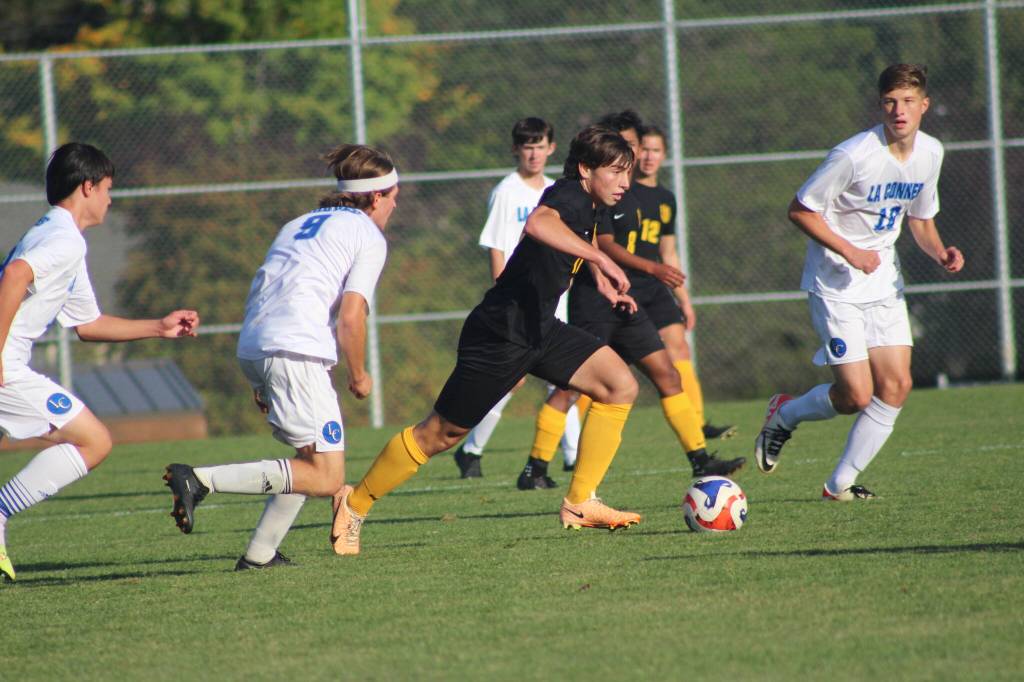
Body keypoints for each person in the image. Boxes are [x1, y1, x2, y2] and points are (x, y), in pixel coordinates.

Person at [332, 125, 644, 556]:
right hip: (501, 332)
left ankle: (580, 503)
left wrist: (600, 279)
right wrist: (599, 259)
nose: (625, 182)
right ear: (587, 169)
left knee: (619, 385)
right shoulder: (569, 194)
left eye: (628, 172)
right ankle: (353, 503)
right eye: (616, 171)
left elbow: (575, 240)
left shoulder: (588, 203)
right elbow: (539, 223)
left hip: (540, 328)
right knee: (439, 434)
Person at [163, 144, 396, 569]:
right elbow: (350, 317)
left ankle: (259, 555)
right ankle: (199, 480)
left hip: (257, 342)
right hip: (295, 350)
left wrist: (257, 376)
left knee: (308, 463)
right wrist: (359, 374)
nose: (393, 206)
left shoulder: (297, 224)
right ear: (377, 196)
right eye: (394, 196)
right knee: (328, 477)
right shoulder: (367, 235)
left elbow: (264, 288)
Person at [754, 64, 964, 500]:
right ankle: (785, 415)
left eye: (908, 101)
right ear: (880, 104)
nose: (898, 110)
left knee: (897, 386)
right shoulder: (853, 155)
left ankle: (839, 486)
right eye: (890, 101)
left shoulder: (931, 153)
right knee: (856, 395)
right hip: (836, 284)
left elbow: (921, 220)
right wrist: (848, 250)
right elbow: (800, 209)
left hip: (884, 282)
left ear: (924, 106)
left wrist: (940, 252)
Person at [0, 142, 200, 582]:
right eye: (108, 188)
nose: (111, 198)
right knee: (94, 441)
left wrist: (159, 327)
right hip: (6, 366)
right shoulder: (63, 239)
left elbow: (87, 324)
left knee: (94, 440)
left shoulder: (61, 236)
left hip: (9, 362)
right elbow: (15, 277)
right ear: (87, 187)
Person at [546, 111, 744, 481]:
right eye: (627, 148)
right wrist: (627, 274)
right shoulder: (593, 197)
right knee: (574, 389)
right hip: (597, 302)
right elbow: (601, 245)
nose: (635, 155)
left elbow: (658, 249)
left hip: (629, 301)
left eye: (636, 147)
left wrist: (667, 285)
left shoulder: (640, 195)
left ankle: (700, 458)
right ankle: (536, 466)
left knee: (667, 372)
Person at [450, 117, 584, 485]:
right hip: (519, 302)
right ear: (515, 150)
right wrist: (504, 293)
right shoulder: (507, 191)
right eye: (527, 146)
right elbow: (497, 246)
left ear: (552, 148)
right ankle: (471, 448)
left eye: (540, 145)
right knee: (512, 380)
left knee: (564, 379)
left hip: (553, 299)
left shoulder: (556, 190)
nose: (534, 153)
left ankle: (572, 457)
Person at [633, 124, 736, 440]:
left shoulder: (665, 199)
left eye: (655, 150)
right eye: (644, 149)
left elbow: (668, 252)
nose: (649, 156)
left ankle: (698, 422)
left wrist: (685, 299)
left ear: (664, 155)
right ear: (634, 151)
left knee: (680, 348)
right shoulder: (620, 191)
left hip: (654, 286)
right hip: (624, 285)